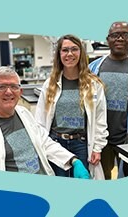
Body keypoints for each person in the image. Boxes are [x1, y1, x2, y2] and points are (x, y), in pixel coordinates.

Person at [0, 67, 90, 179]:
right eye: (1, 87)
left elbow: (45, 142)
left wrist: (74, 160)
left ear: (20, 92)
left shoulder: (24, 114)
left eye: (13, 87)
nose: (8, 92)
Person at [35, 34, 108, 179]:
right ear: (59, 54)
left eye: (74, 49)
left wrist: (97, 148)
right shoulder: (49, 84)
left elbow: (100, 118)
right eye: (65, 50)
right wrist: (41, 146)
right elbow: (39, 121)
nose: (69, 54)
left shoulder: (94, 84)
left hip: (81, 144)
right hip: (55, 143)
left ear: (81, 53)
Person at [88, 21, 128, 179]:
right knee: (101, 178)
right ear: (107, 39)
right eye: (115, 35)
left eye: (125, 35)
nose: (119, 38)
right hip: (101, 139)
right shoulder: (94, 67)